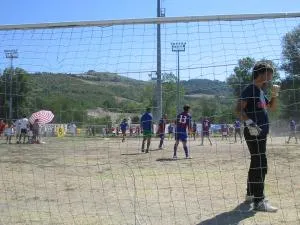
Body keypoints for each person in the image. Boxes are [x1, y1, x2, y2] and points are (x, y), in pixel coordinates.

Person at [236, 62, 280, 212]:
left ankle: (250, 194)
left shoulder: (261, 91)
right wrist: (249, 122)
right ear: (261, 74)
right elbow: (238, 110)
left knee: (256, 162)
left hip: (261, 133)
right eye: (269, 74)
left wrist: (274, 95)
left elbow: (271, 108)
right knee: (261, 164)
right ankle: (259, 201)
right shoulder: (250, 89)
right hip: (253, 131)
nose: (270, 78)